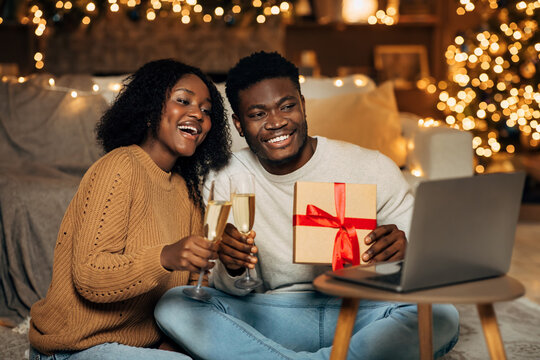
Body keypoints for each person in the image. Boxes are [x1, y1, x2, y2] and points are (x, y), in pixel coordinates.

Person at [155, 52, 459, 359]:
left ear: (303, 104)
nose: (276, 122)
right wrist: (232, 268)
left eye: (287, 106)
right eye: (258, 114)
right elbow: (226, 287)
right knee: (176, 304)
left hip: (358, 308)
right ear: (239, 124)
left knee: (442, 314)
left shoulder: (372, 167)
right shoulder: (223, 177)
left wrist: (404, 253)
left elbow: (424, 270)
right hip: (272, 313)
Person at [28, 59, 231, 359]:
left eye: (206, 109)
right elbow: (88, 276)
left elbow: (192, 284)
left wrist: (227, 261)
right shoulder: (120, 167)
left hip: (142, 344)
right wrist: (165, 257)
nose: (197, 114)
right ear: (150, 109)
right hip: (75, 347)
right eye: (183, 100)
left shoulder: (187, 190)